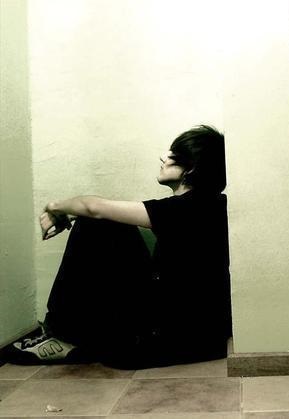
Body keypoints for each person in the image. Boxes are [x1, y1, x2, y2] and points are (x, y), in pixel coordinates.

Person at [6, 125, 232, 369]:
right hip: (198, 334)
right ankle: (70, 335)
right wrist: (74, 213)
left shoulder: (186, 209)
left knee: (95, 220)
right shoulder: (210, 205)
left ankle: (62, 335)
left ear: (192, 167)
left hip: (166, 338)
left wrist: (55, 207)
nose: (163, 157)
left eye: (173, 154)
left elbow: (93, 207)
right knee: (105, 221)